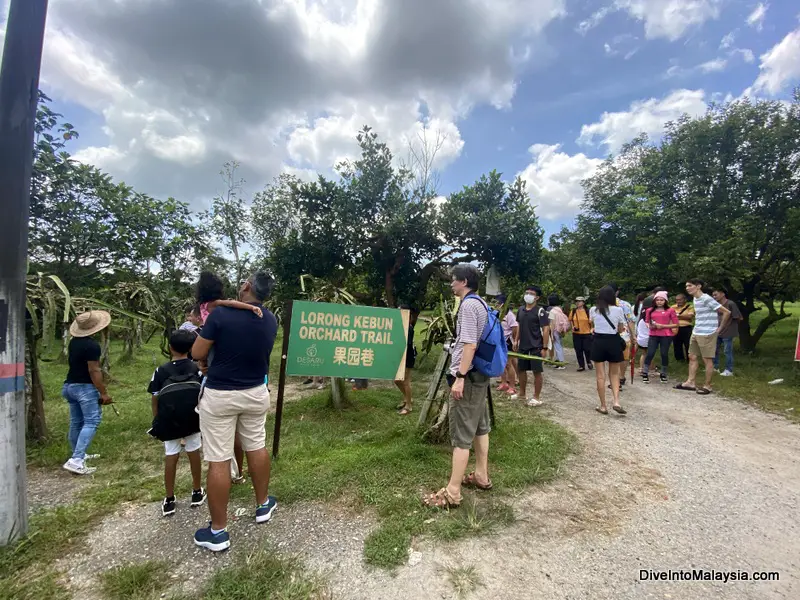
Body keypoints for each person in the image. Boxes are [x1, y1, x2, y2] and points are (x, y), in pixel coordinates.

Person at [190, 271, 279, 552]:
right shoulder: (271, 320)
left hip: (220, 396)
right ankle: (263, 505)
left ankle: (218, 531)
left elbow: (196, 352)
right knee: (256, 446)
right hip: (255, 392)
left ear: (247, 286)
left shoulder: (219, 316)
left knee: (218, 460)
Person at [423, 264, 492, 509]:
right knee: (480, 427)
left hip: (469, 377)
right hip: (480, 376)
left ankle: (452, 492)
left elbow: (470, 344)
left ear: (463, 281)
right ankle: (481, 475)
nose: (451, 284)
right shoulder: (481, 303)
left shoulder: (469, 305)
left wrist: (460, 376)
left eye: (453, 280)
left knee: (461, 435)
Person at [148, 329, 206, 516]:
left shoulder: (161, 371)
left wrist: (157, 419)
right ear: (191, 349)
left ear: (170, 347)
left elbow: (155, 397)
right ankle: (197, 491)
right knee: (193, 451)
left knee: (171, 455)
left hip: (169, 419)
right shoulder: (196, 369)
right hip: (192, 417)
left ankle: (169, 498)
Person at [62, 311, 113, 475]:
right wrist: (103, 392)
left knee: (76, 422)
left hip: (70, 386)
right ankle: (76, 460)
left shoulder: (74, 342)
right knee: (91, 421)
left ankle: (78, 454)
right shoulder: (92, 346)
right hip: (84, 387)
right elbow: (94, 370)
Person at [675, 279, 731, 395]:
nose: (687, 288)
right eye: (686, 286)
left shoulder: (706, 298)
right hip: (696, 331)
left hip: (707, 333)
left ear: (698, 286)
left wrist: (719, 329)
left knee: (707, 359)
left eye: (690, 286)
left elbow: (726, 312)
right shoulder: (695, 298)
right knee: (692, 356)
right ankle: (690, 382)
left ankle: (708, 385)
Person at [589, 286, 627, 415]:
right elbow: (621, 329)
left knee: (600, 376)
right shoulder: (618, 310)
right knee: (614, 374)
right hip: (613, 342)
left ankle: (603, 406)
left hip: (598, 341)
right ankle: (616, 401)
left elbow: (592, 324)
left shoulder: (593, 310)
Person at [512, 285, 550, 406]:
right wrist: (516, 340)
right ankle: (522, 393)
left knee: (536, 371)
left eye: (531, 293)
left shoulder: (540, 311)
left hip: (536, 346)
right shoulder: (521, 310)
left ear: (537, 297)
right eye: (527, 292)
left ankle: (536, 397)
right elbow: (519, 326)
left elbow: (546, 329)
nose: (528, 295)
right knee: (521, 369)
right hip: (523, 345)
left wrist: (544, 347)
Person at [641, 291, 678, 384]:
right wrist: (650, 325)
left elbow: (676, 324)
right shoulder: (650, 310)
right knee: (650, 353)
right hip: (653, 334)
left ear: (665, 301)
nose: (659, 302)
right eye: (657, 300)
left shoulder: (670, 310)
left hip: (666, 335)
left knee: (664, 354)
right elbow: (646, 321)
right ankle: (645, 372)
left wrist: (663, 326)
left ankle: (663, 373)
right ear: (654, 301)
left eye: (662, 300)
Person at [608, 283, 637, 388]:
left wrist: (633, 336)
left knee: (620, 357)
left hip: (618, 334)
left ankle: (619, 378)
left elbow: (630, 321)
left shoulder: (623, 305)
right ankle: (618, 377)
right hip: (616, 333)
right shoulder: (624, 304)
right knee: (618, 357)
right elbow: (631, 321)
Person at [394, 306, 420, 415]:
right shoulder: (402, 326)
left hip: (408, 356)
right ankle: (407, 398)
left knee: (405, 381)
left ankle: (408, 406)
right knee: (397, 380)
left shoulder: (408, 328)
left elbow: (406, 345)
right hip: (402, 356)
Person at [711, 290, 743, 377]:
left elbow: (739, 318)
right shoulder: (716, 305)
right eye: (713, 295)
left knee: (727, 351)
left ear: (723, 294)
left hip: (728, 331)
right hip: (717, 330)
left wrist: (730, 326)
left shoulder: (730, 304)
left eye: (716, 294)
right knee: (714, 350)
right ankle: (715, 367)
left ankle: (729, 370)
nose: (714, 297)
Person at [495, 296, 518, 395]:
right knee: (501, 363)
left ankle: (512, 386)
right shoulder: (498, 314)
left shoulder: (510, 315)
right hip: (499, 341)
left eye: (497, 302)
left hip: (507, 342)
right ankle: (504, 382)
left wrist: (514, 341)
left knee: (508, 364)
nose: (496, 304)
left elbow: (515, 328)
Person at [570, 297, 593, 371]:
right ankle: (581, 365)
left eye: (579, 301)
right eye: (576, 301)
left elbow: (592, 322)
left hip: (587, 333)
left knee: (587, 349)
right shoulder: (573, 311)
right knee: (578, 350)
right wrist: (572, 326)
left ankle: (589, 361)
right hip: (576, 333)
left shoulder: (587, 311)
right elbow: (570, 320)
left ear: (583, 302)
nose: (577, 303)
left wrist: (592, 329)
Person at [547, 294, 569, 370]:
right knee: (559, 345)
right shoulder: (559, 309)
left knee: (557, 347)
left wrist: (552, 335)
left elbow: (552, 324)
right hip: (560, 330)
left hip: (555, 331)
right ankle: (558, 361)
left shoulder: (552, 311)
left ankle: (561, 363)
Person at [673, 293, 695, 361]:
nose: (678, 301)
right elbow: (670, 317)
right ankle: (679, 359)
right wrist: (683, 316)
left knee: (688, 344)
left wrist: (677, 316)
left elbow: (690, 316)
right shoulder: (672, 307)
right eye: (677, 300)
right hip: (676, 327)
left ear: (685, 299)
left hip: (686, 327)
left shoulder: (690, 307)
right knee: (677, 344)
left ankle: (689, 359)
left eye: (680, 300)